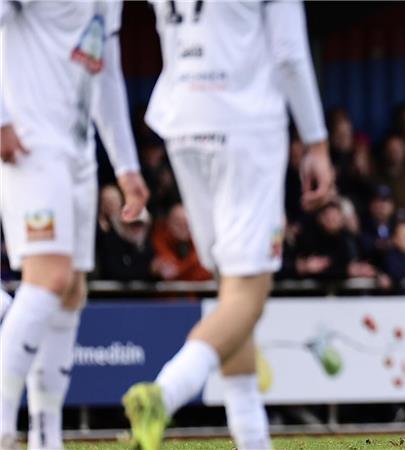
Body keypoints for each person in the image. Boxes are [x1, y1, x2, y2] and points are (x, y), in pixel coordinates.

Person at [121, 2, 333, 450]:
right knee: (248, 298)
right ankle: (163, 393)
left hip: (182, 124)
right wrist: (316, 141)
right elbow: (291, 54)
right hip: (244, 126)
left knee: (231, 294)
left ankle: (253, 440)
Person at [0, 2, 148, 448]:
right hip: (30, 142)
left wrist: (126, 165)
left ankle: (48, 436)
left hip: (79, 152)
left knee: (71, 292)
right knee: (50, 279)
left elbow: (105, 69)